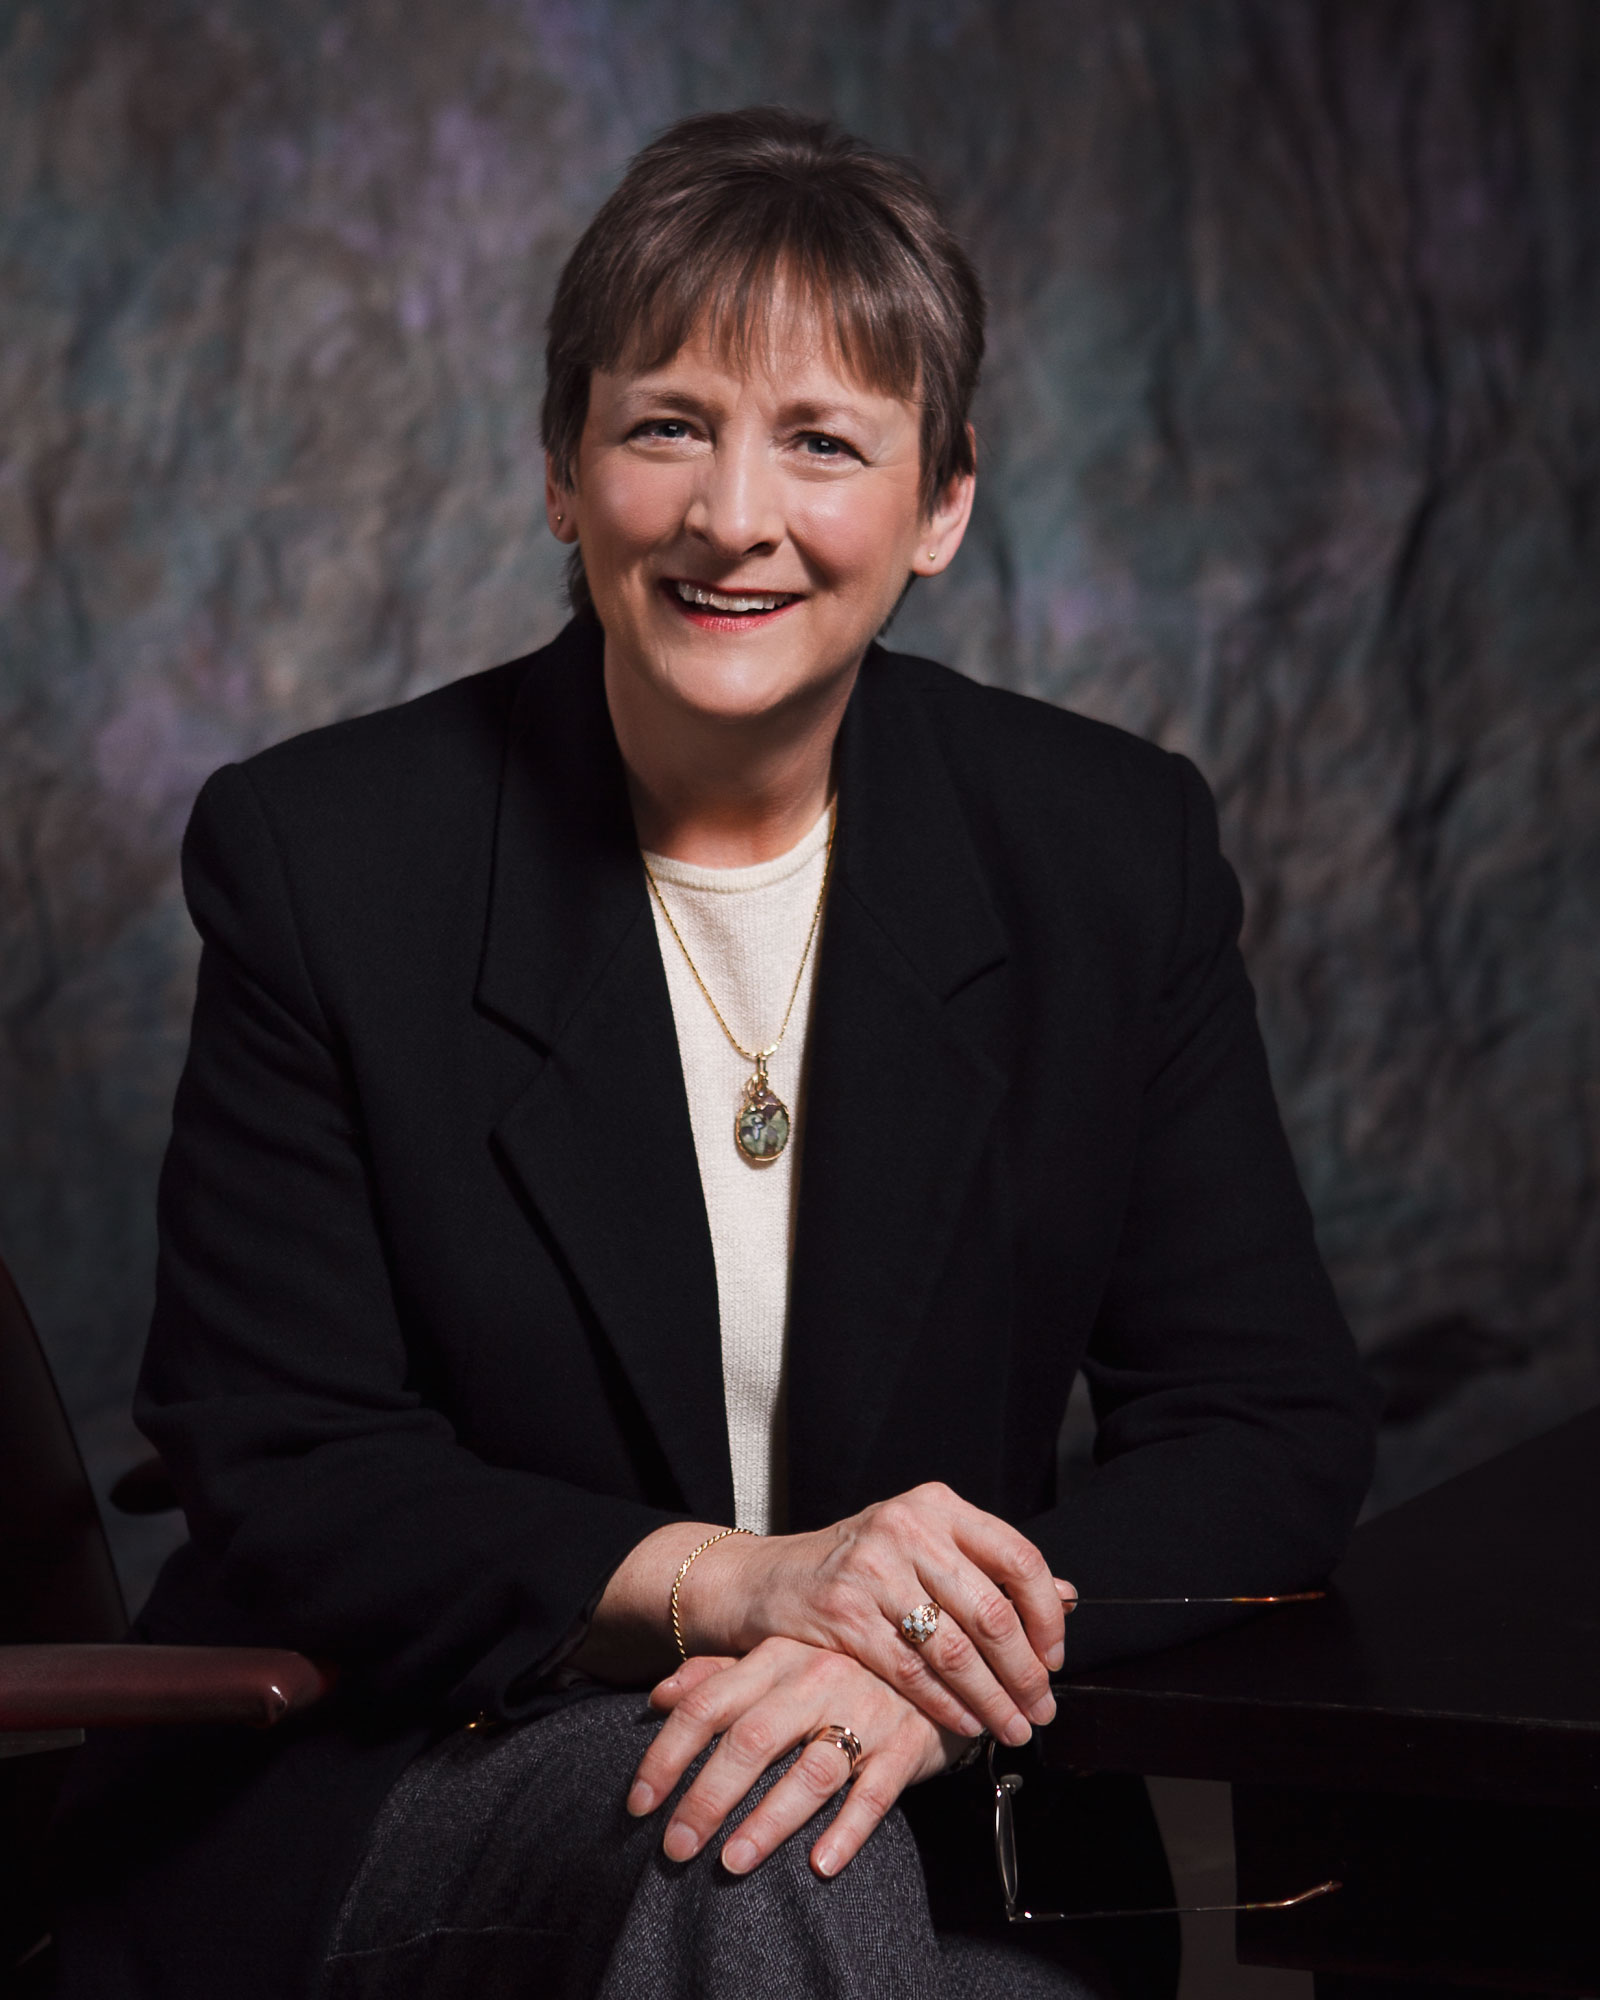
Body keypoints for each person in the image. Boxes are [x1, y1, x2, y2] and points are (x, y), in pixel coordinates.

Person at [52, 108, 1377, 2000]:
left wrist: (910, 1662)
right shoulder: (329, 858)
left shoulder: (1104, 849)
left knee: (816, 1860)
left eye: (822, 442)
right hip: (425, 1769)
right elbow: (289, 1461)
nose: (731, 514)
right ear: (561, 469)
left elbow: (1265, 1423)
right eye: (667, 425)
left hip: (929, 1798)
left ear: (942, 505)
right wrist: (749, 1589)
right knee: (754, 1843)